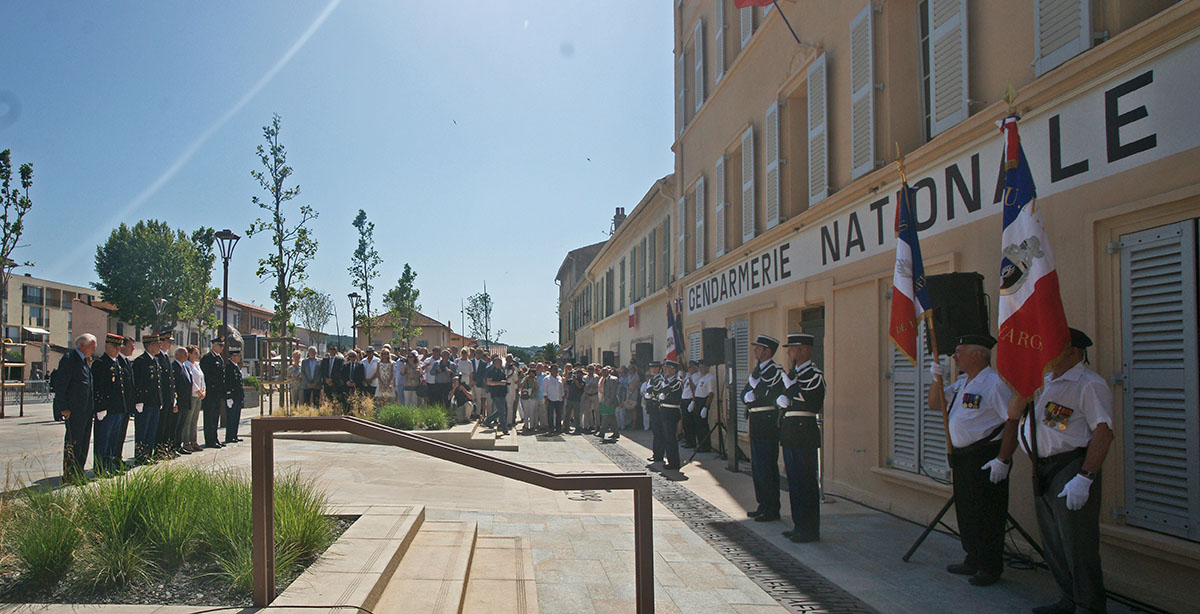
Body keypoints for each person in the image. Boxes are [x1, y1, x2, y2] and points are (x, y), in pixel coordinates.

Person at [994, 328, 1114, 614]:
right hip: (1043, 469)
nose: (1047, 353)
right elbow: (1014, 414)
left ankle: (1089, 606)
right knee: (1054, 543)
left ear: (1074, 353)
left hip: (1071, 468)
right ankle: (1068, 599)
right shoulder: (1045, 381)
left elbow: (1103, 432)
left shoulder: (1088, 383)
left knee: (1078, 545)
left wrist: (1085, 478)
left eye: (1054, 349)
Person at [928, 333, 1012, 585]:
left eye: (959, 351)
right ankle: (973, 557)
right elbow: (935, 403)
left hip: (985, 456)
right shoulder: (964, 382)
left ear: (977, 354)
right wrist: (936, 379)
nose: (954, 356)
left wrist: (1003, 459)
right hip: (963, 457)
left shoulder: (995, 384)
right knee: (967, 511)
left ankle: (989, 566)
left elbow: (1013, 421)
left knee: (987, 513)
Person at [778, 333, 827, 543]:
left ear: (805, 350)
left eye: (793, 348)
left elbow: (813, 402)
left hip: (804, 431)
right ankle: (799, 525)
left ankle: (810, 529)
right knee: (795, 483)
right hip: (790, 431)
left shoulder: (815, 375)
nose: (790, 352)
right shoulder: (793, 374)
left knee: (806, 483)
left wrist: (791, 391)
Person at [743, 334, 785, 522]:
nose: (755, 351)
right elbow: (746, 392)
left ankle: (772, 508)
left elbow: (770, 392)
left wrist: (755, 393)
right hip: (756, 420)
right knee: (758, 466)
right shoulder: (757, 371)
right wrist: (747, 397)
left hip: (768, 420)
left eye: (758, 348)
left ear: (767, 351)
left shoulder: (775, 371)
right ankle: (763, 504)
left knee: (767, 466)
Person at [57, 333, 96, 482]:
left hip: (86, 410)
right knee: (73, 442)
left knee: (84, 443)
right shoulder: (70, 359)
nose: (94, 349)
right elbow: (61, 386)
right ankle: (69, 474)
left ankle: (79, 472)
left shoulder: (84, 361)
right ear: (82, 345)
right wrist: (64, 407)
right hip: (74, 410)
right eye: (92, 346)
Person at [91, 333, 127, 475]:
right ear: (107, 346)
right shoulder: (100, 363)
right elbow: (98, 387)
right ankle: (100, 467)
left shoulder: (116, 363)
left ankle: (110, 465)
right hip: (107, 409)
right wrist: (100, 407)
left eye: (119, 347)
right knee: (103, 440)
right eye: (115, 347)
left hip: (117, 409)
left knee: (113, 439)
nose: (118, 349)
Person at [131, 334, 165, 463]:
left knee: (151, 431)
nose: (159, 347)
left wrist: (160, 400)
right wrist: (139, 400)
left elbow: (158, 383)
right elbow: (138, 382)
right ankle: (140, 456)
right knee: (142, 430)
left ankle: (148, 454)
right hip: (144, 402)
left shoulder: (155, 360)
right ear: (150, 345)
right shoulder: (140, 361)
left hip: (155, 402)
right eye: (157, 344)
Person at [655, 360, 684, 470]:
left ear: (673, 370)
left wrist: (665, 396)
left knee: (670, 438)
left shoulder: (677, 382)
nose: (665, 370)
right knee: (666, 437)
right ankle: (670, 460)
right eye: (665, 368)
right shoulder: (665, 381)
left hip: (671, 412)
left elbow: (675, 397)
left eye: (667, 368)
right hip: (664, 411)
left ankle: (674, 462)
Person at [155, 331, 180, 458]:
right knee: (161, 426)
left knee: (168, 425)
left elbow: (171, 380)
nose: (170, 344)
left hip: (169, 398)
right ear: (162, 342)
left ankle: (165, 448)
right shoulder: (158, 357)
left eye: (171, 342)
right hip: (162, 398)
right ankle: (159, 450)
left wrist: (174, 397)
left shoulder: (165, 357)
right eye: (168, 341)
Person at [199, 337, 227, 450]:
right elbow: (207, 376)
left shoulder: (219, 358)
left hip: (217, 393)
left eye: (222, 346)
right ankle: (209, 440)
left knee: (215, 417)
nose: (221, 348)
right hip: (210, 393)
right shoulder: (207, 358)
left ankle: (215, 438)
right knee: (209, 417)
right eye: (220, 345)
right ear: (214, 345)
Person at [116, 336, 137, 465]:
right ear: (123, 347)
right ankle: (112, 460)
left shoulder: (127, 362)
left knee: (121, 434)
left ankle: (117, 458)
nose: (133, 349)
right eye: (131, 346)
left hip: (126, 405)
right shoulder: (117, 361)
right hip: (118, 405)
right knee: (115, 435)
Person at [170, 347, 194, 456]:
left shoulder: (185, 367)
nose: (186, 355)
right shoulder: (174, 367)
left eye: (186, 354)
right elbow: (174, 386)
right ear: (177, 355)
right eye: (183, 354)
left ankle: (179, 446)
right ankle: (173, 446)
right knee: (175, 426)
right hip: (179, 401)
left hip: (186, 401)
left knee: (181, 425)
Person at [183, 345, 205, 452]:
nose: (197, 355)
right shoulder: (187, 365)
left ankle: (194, 441)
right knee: (188, 419)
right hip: (192, 394)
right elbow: (191, 381)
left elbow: (202, 378)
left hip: (199, 395)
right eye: (195, 353)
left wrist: (203, 390)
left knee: (195, 420)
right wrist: (198, 391)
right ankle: (186, 442)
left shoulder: (197, 365)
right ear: (189, 354)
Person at [483, 355, 511, 435]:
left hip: (502, 393)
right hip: (495, 393)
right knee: (502, 412)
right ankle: (504, 429)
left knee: (501, 411)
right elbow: (489, 382)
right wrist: (499, 383)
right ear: (494, 363)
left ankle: (488, 421)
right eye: (498, 362)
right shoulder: (491, 371)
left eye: (500, 362)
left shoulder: (501, 371)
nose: (500, 364)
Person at [643, 361, 664, 463]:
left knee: (658, 432)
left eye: (655, 368)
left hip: (657, 408)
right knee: (656, 432)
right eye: (651, 368)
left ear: (659, 369)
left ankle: (658, 455)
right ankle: (657, 453)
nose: (652, 370)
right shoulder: (652, 379)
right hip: (652, 407)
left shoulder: (659, 380)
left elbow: (654, 392)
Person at [692, 362, 715, 452]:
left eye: (702, 366)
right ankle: (700, 444)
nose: (701, 368)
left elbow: (711, 393)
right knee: (697, 425)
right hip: (698, 401)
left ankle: (705, 446)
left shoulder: (710, 378)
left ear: (707, 367)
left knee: (703, 426)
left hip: (703, 402)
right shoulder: (702, 377)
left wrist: (706, 407)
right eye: (700, 367)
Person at [595, 366, 621, 442]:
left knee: (606, 417)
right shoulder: (603, 379)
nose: (603, 373)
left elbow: (613, 392)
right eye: (602, 371)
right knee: (612, 417)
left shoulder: (613, 379)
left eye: (605, 371)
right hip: (605, 400)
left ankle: (602, 432)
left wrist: (609, 402)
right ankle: (616, 432)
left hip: (611, 401)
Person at [224, 347, 245, 443]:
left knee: (236, 417)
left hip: (238, 396)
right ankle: (229, 436)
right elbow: (228, 383)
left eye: (239, 356)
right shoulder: (229, 367)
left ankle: (234, 435)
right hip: (232, 396)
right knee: (231, 418)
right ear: (232, 356)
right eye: (236, 356)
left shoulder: (236, 367)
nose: (238, 357)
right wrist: (228, 396)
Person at [542, 365, 564, 433]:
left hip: (559, 399)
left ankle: (558, 428)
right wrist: (546, 399)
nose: (556, 371)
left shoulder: (559, 378)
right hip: (550, 399)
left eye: (557, 369)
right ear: (551, 370)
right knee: (550, 414)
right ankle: (551, 428)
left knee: (559, 414)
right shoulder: (546, 379)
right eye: (554, 369)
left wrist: (562, 396)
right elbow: (544, 390)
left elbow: (561, 388)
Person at [518, 368, 540, 435]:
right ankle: (526, 426)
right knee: (526, 412)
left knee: (532, 413)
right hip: (525, 397)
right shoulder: (525, 379)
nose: (531, 377)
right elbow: (521, 386)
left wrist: (535, 381)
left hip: (532, 397)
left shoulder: (535, 380)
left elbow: (537, 388)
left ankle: (532, 426)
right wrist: (525, 380)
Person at [681, 361, 697, 448]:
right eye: (689, 367)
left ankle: (692, 442)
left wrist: (693, 401)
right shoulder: (688, 376)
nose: (689, 369)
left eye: (691, 367)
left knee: (690, 422)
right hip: (684, 399)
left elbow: (694, 389)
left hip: (690, 400)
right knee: (685, 422)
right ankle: (687, 440)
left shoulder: (696, 376)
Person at [564, 366, 585, 434]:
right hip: (570, 399)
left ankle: (577, 427)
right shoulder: (571, 380)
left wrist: (575, 380)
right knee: (568, 414)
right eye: (577, 373)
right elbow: (565, 382)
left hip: (577, 400)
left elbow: (580, 387)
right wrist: (568, 375)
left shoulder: (582, 381)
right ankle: (566, 427)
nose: (579, 375)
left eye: (580, 373)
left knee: (576, 415)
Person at [582, 364, 601, 433]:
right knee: (587, 411)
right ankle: (588, 425)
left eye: (591, 369)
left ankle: (597, 425)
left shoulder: (596, 377)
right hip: (587, 395)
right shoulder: (584, 377)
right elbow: (584, 386)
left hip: (595, 395)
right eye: (589, 369)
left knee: (596, 411)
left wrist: (589, 385)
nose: (590, 371)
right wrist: (589, 385)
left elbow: (596, 385)